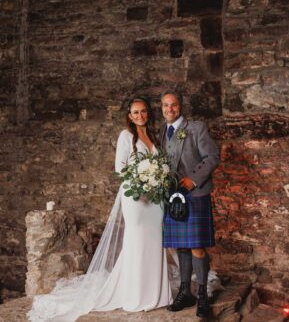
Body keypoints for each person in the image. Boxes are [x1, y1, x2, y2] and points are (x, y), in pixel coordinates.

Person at [28, 97, 172, 321]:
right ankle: (135, 294)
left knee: (154, 240)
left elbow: (159, 165)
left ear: (148, 114)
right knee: (137, 240)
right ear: (129, 116)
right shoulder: (126, 136)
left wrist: (155, 180)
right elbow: (120, 168)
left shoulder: (153, 136)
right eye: (135, 112)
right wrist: (141, 181)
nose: (140, 116)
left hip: (154, 199)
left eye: (143, 112)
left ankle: (157, 293)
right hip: (135, 197)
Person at [160, 91, 219, 318]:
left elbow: (212, 156)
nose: (170, 109)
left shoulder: (197, 128)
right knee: (181, 246)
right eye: (166, 106)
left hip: (195, 195)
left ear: (180, 107)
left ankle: (202, 294)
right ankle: (185, 293)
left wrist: (193, 179)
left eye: (173, 105)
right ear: (162, 108)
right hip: (173, 196)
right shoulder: (163, 131)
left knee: (197, 247)